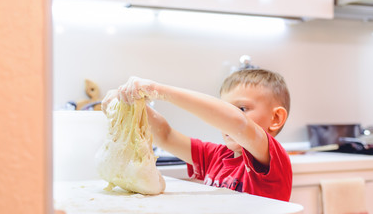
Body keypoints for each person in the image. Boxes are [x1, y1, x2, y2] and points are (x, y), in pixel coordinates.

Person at [101, 69, 292, 201]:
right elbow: (166, 136)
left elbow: (238, 124)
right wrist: (131, 104)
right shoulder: (215, 157)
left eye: (242, 108)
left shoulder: (274, 161)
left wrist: (159, 90)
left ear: (276, 118)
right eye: (224, 106)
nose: (226, 117)